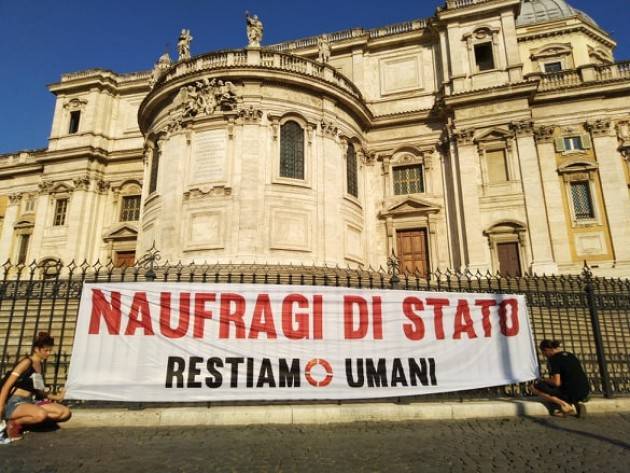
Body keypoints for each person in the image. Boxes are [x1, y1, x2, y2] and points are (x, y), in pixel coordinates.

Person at [0, 332, 71, 441]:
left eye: (50, 350)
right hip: (14, 403)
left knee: (65, 413)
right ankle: (13, 423)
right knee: (40, 414)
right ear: (37, 349)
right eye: (46, 350)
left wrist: (58, 397)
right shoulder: (26, 362)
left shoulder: (39, 365)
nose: (49, 353)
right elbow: (6, 386)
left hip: (30, 402)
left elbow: (39, 391)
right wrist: (0, 407)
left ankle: (26, 423)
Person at [532, 339, 590, 418]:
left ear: (547, 350)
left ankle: (565, 406)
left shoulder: (554, 359)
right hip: (585, 391)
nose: (544, 355)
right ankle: (575, 403)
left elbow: (556, 382)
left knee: (534, 387)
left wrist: (543, 380)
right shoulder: (570, 355)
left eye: (543, 352)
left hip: (570, 391)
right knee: (567, 385)